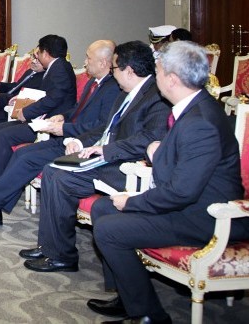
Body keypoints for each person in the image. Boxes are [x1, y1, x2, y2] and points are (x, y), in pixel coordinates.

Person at [89, 41, 248, 323]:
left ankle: (149, 314)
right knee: (102, 209)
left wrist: (132, 201)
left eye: (159, 71)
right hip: (189, 202)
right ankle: (127, 296)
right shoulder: (193, 107)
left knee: (110, 229)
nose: (155, 76)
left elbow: (181, 192)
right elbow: (180, 165)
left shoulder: (200, 121)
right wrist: (158, 152)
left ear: (172, 80)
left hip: (205, 215)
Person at [21, 40, 172, 273]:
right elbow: (105, 129)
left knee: (59, 176)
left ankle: (61, 255)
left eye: (115, 69)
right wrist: (80, 141)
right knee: (53, 170)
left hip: (127, 167)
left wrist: (105, 151)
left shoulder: (156, 98)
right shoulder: (126, 92)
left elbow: (149, 139)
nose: (112, 73)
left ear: (129, 71)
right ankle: (51, 247)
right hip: (106, 159)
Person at [0, 40, 120, 226]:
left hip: (78, 142)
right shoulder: (94, 83)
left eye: (88, 57)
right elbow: (77, 109)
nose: (85, 62)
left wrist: (62, 127)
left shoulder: (110, 88)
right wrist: (63, 116)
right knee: (20, 150)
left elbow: (100, 126)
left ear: (103, 63)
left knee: (13, 144)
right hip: (62, 130)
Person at [0, 35, 76, 180]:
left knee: (0, 132)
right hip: (31, 113)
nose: (34, 59)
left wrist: (25, 110)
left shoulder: (58, 68)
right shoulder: (56, 67)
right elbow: (45, 95)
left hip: (47, 122)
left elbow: (52, 99)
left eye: (38, 54)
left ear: (45, 53)